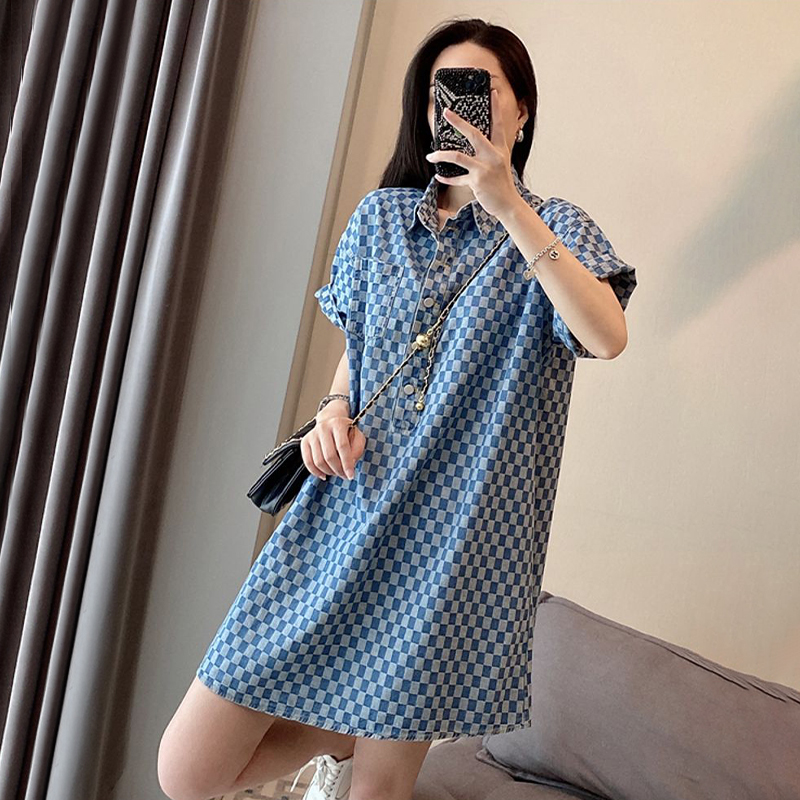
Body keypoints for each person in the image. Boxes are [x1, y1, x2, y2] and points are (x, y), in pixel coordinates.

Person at [157, 16, 638, 800]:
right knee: (189, 769)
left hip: (458, 542)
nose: (457, 109)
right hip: (347, 507)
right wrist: (331, 411)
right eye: (442, 93)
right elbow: (359, 351)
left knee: (379, 790)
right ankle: (347, 727)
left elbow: (605, 336)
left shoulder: (557, 227)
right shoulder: (379, 218)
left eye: (479, 90)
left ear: (521, 111)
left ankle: (369, 731)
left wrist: (509, 206)